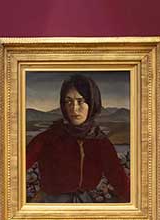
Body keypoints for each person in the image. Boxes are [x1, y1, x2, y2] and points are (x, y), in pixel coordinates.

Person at [25, 74, 129, 203]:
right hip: (50, 204)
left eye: (80, 101)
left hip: (85, 205)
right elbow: (14, 168)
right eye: (68, 101)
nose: (74, 108)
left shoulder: (100, 142)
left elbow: (119, 179)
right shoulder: (48, 138)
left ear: (92, 104)